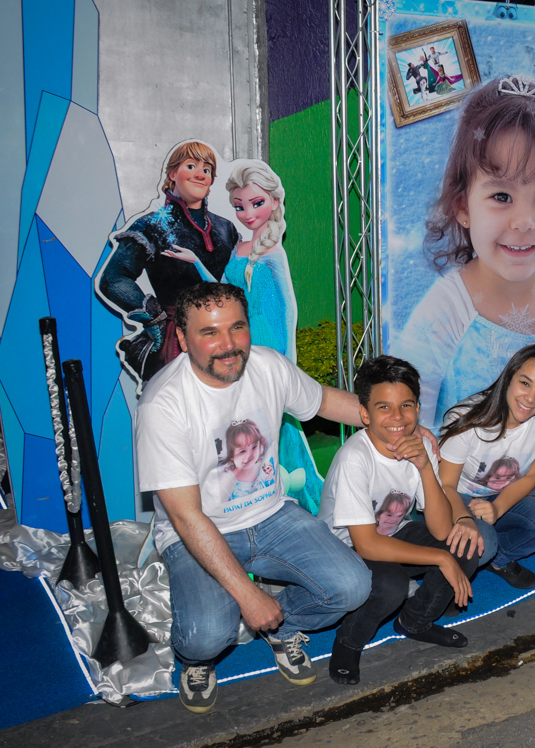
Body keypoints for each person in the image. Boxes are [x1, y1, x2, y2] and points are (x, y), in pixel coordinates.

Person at [135, 282, 372, 714]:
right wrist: (247, 596)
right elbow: (187, 518)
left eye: (237, 328)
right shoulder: (163, 404)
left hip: (271, 514)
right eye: (209, 333)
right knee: (208, 636)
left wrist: (394, 423)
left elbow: (326, 402)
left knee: (353, 586)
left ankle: (284, 624)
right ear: (184, 339)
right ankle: (195, 659)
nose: (227, 346)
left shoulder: (268, 365)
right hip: (198, 531)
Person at [395, 74, 535, 429]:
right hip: (456, 482)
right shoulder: (445, 310)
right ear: (463, 206)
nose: (523, 222)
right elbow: (407, 418)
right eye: (502, 197)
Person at [162, 161, 327, 514]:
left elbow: (288, 311)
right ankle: (247, 493)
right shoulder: (239, 249)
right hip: (239, 342)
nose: (247, 214)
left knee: (275, 422)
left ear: (274, 203)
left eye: (256, 203)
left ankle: (290, 496)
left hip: (268, 344)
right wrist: (194, 260)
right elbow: (224, 291)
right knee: (247, 420)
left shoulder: (275, 253)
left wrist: (288, 363)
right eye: (239, 206)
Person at [319, 356, 479, 687]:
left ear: (418, 409)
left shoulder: (419, 445)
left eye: (405, 406)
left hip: (391, 533)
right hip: (345, 549)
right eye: (384, 408)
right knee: (389, 584)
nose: (397, 418)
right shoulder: (355, 457)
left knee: (464, 545)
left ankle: (415, 621)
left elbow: (440, 529)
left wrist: (424, 467)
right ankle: (348, 641)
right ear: (364, 414)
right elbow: (365, 544)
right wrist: (440, 558)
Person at [98, 141, 239, 386]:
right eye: (191, 165)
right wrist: (155, 318)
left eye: (206, 170)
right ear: (173, 174)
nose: (200, 174)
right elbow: (113, 278)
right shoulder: (151, 225)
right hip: (177, 343)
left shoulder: (226, 228)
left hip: (228, 337)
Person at [439, 344, 535, 590]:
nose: (531, 399)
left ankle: (500, 559)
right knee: (481, 544)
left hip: (499, 495)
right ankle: (444, 580)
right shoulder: (467, 418)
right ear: (508, 377)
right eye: (525, 383)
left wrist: (498, 508)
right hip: (455, 495)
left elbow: (531, 476)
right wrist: (463, 518)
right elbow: (444, 484)